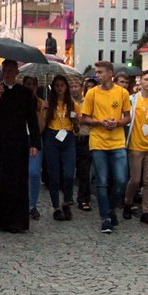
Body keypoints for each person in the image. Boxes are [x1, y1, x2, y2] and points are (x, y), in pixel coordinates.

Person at [0, 59, 40, 233]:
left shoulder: (25, 93)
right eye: (5, 71)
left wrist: (35, 142)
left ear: (16, 73)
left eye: (11, 71)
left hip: (18, 142)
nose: (7, 74)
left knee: (17, 182)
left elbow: (32, 119)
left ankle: (16, 221)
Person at [80, 61, 131, 234]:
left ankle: (110, 208)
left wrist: (117, 123)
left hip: (117, 141)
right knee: (102, 181)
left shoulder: (122, 92)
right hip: (98, 141)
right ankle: (105, 218)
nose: (98, 75)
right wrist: (99, 122)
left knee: (121, 180)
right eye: (96, 72)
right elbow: (84, 118)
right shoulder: (92, 93)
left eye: (101, 72)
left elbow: (127, 117)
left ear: (110, 73)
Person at [124, 70, 148, 226]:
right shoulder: (133, 100)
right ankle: (127, 202)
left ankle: (147, 210)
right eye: (146, 79)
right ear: (140, 82)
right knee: (135, 179)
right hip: (135, 145)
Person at [43, 75, 78, 221]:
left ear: (66, 87)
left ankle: (67, 200)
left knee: (69, 173)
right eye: (57, 85)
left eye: (62, 85)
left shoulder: (72, 104)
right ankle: (56, 206)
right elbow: (43, 124)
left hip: (68, 137)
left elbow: (76, 124)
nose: (59, 88)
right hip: (52, 137)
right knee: (54, 174)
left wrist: (76, 121)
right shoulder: (49, 103)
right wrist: (43, 110)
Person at [22, 75, 47, 220]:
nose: (30, 87)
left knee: (34, 172)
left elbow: (41, 127)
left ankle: (33, 205)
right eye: (27, 84)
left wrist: (41, 111)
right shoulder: (19, 101)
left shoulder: (40, 103)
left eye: (32, 84)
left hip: (34, 139)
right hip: (21, 138)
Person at [73, 78, 95, 212]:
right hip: (71, 138)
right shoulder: (67, 103)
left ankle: (83, 198)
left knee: (84, 171)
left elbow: (94, 118)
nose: (74, 89)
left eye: (77, 86)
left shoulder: (88, 101)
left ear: (82, 88)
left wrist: (84, 120)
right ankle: (68, 196)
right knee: (69, 171)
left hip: (85, 138)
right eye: (72, 86)